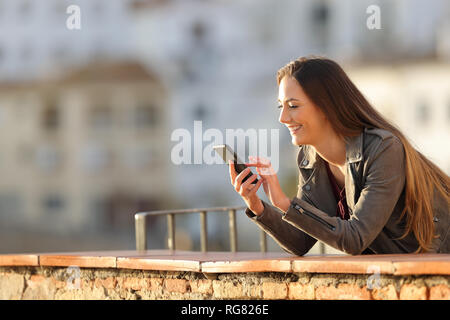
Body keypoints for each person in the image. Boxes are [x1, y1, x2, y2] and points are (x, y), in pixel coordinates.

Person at [228, 56, 449, 255]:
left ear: (326, 107)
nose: (283, 118)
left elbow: (356, 238)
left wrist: (287, 204)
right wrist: (257, 205)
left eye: (293, 106)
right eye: (281, 107)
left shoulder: (382, 149)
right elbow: (301, 241)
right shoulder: (310, 158)